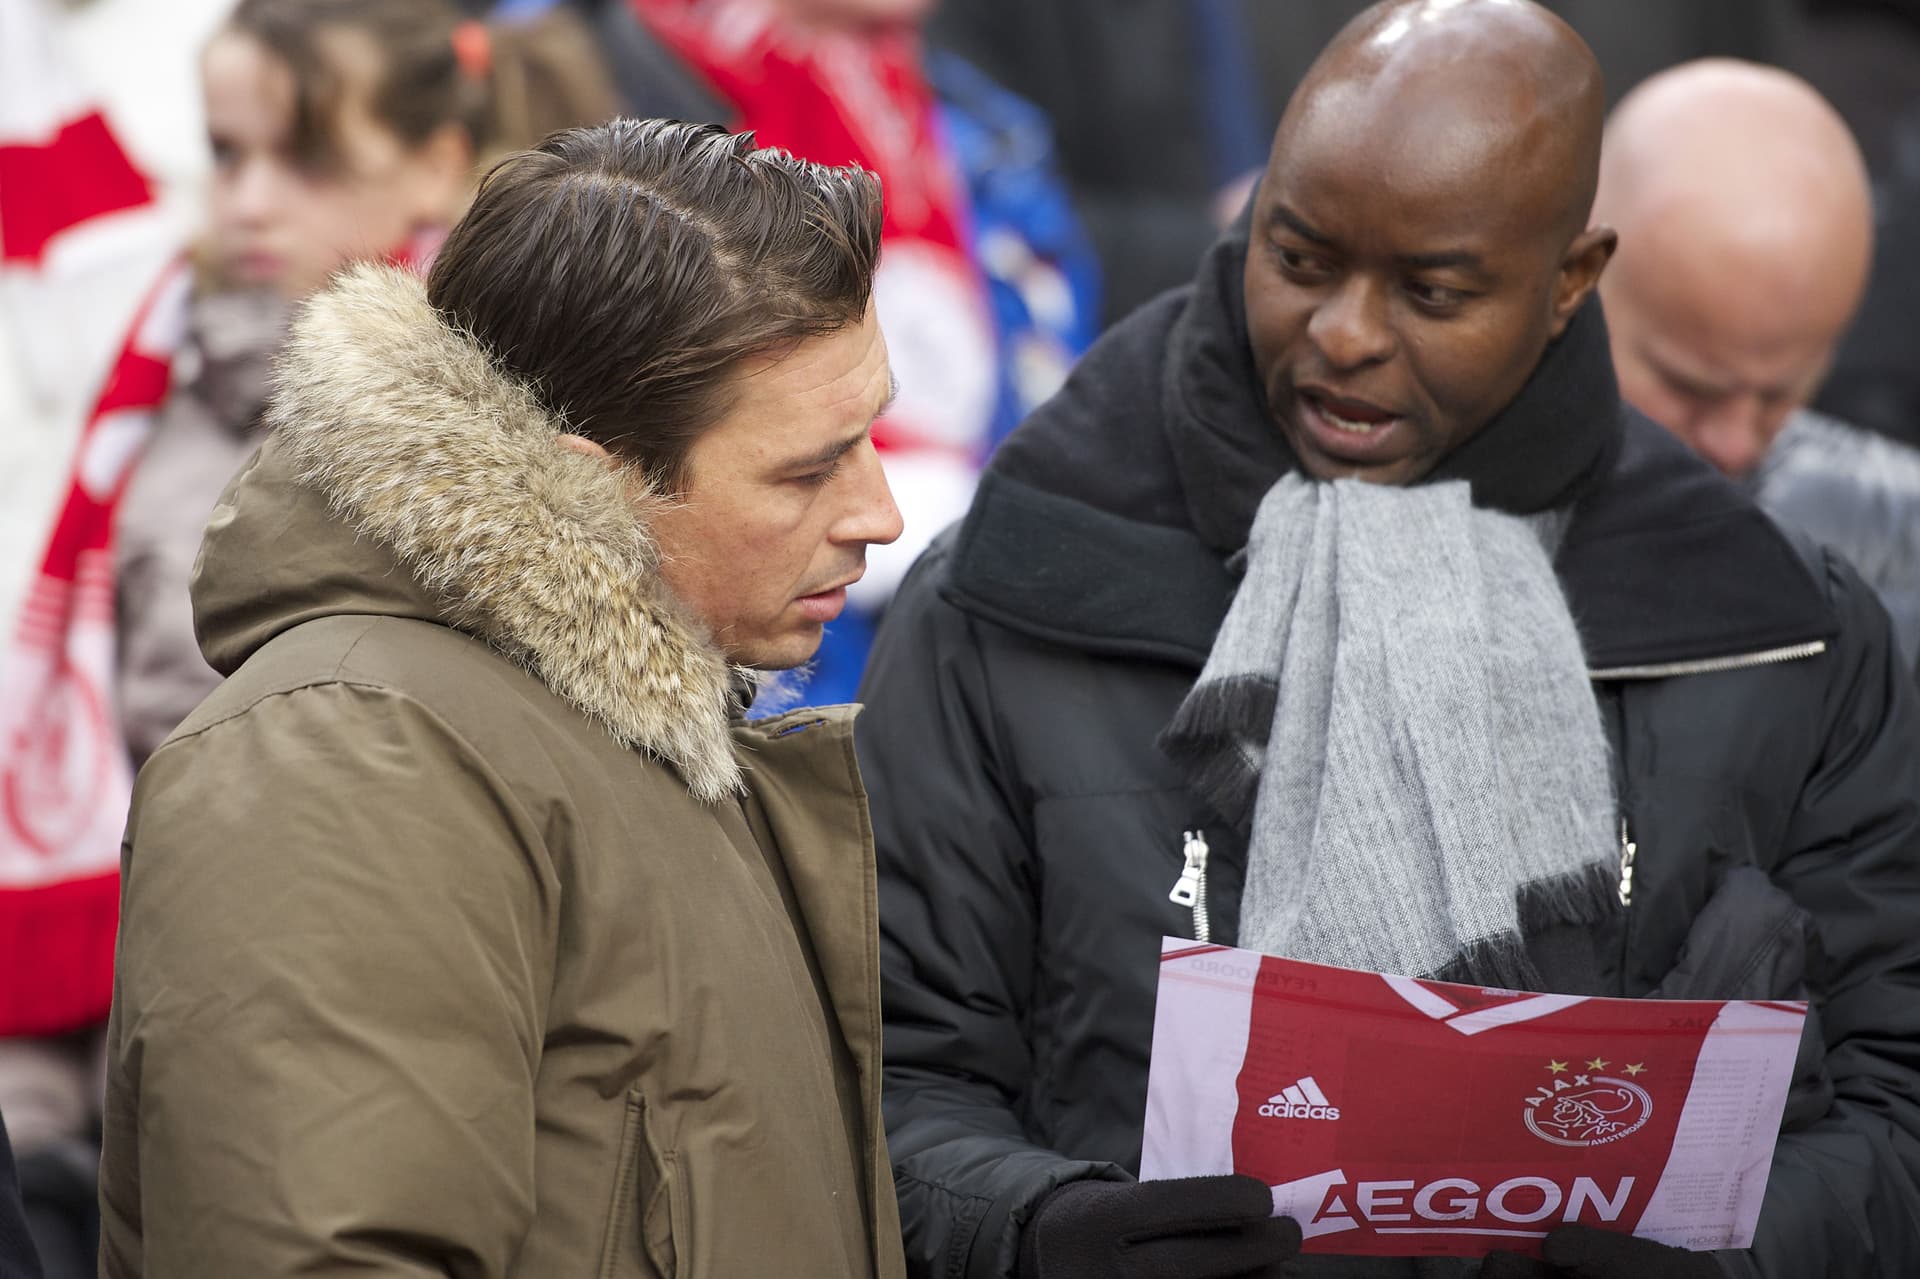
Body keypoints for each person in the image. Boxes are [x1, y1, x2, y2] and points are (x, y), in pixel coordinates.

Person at [856, 2, 1920, 1277]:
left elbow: (1892, 1094)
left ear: (1572, 281)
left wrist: (1734, 1261)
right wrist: (1040, 1231)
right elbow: (884, 1072)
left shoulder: (1783, 635)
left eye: (1432, 291)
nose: (1347, 334)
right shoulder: (1006, 590)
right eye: (1299, 259)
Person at [97, 118, 907, 1277]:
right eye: (810, 466)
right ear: (592, 490)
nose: (880, 512)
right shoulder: (349, 756)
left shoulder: (626, 716)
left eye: (870, 433)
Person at [1593, 59, 1920, 665]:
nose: (1738, 445)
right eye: (1690, 386)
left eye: (1781, 393)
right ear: (1576, 284)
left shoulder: (1895, 541)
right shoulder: (1435, 511)